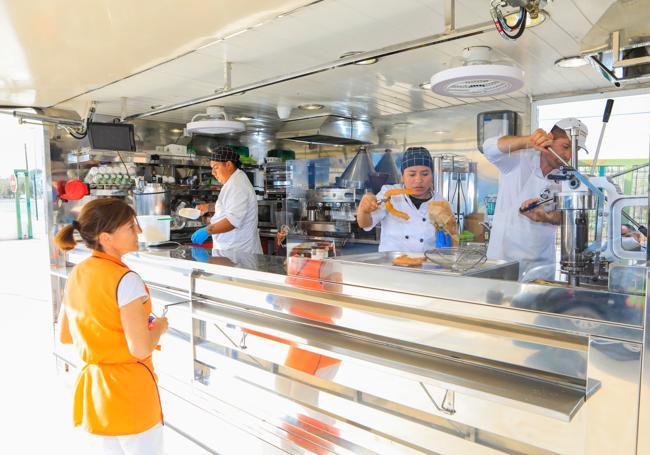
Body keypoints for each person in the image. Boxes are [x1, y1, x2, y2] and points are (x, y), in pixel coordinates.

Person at [54, 198, 168, 454]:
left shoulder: (79, 272)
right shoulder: (126, 280)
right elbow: (140, 348)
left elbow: (65, 335)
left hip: (95, 394)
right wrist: (160, 327)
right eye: (130, 226)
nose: (138, 231)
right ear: (106, 237)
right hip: (131, 394)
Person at [482, 118, 588, 277]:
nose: (568, 155)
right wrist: (529, 141)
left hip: (542, 265)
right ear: (549, 138)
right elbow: (489, 148)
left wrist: (545, 217)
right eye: (565, 146)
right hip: (504, 261)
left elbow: (565, 217)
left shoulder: (566, 177)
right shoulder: (519, 159)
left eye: (575, 150)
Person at [356, 147, 454, 252]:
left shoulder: (441, 204)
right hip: (391, 264)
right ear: (402, 176)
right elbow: (365, 224)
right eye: (412, 174)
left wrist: (447, 248)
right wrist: (363, 210)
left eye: (425, 174)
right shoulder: (389, 194)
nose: (418, 180)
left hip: (426, 265)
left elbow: (452, 238)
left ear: (432, 175)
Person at [191, 145, 262, 254]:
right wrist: (208, 207)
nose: (213, 173)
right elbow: (230, 206)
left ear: (228, 165)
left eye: (216, 167)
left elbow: (231, 222)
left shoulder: (237, 185)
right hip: (230, 250)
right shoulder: (233, 181)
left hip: (239, 253)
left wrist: (206, 231)